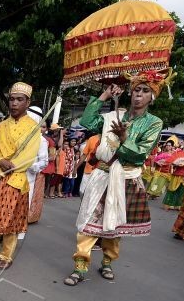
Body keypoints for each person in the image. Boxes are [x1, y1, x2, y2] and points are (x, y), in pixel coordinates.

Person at [64, 70, 169, 286]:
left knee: (113, 227)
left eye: (145, 91)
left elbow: (140, 154)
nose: (139, 94)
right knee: (88, 223)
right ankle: (80, 266)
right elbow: (87, 121)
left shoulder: (154, 123)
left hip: (126, 178)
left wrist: (124, 138)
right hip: (102, 176)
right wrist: (104, 96)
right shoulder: (113, 115)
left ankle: (107, 262)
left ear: (152, 97)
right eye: (136, 90)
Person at [0, 82, 40, 270]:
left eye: (19, 100)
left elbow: (29, 156)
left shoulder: (33, 128)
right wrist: (0, 162)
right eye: (12, 99)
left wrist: (11, 166)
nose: (14, 104)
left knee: (10, 220)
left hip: (15, 180)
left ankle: (6, 256)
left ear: (27, 102)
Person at [23, 106, 49, 224]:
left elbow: (44, 162)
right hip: (10, 177)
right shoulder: (17, 135)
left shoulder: (41, 140)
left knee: (22, 210)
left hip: (28, 180)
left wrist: (32, 166)